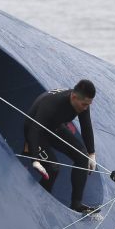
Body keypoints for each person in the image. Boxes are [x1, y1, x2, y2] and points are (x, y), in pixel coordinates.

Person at [24, 80, 97, 212]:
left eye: (89, 105)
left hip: (54, 127)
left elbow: (86, 126)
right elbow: (34, 130)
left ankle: (76, 204)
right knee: (53, 168)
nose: (86, 108)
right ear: (74, 97)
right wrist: (35, 159)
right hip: (34, 130)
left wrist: (92, 154)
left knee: (82, 157)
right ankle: (38, 202)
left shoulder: (82, 102)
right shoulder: (52, 104)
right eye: (84, 104)